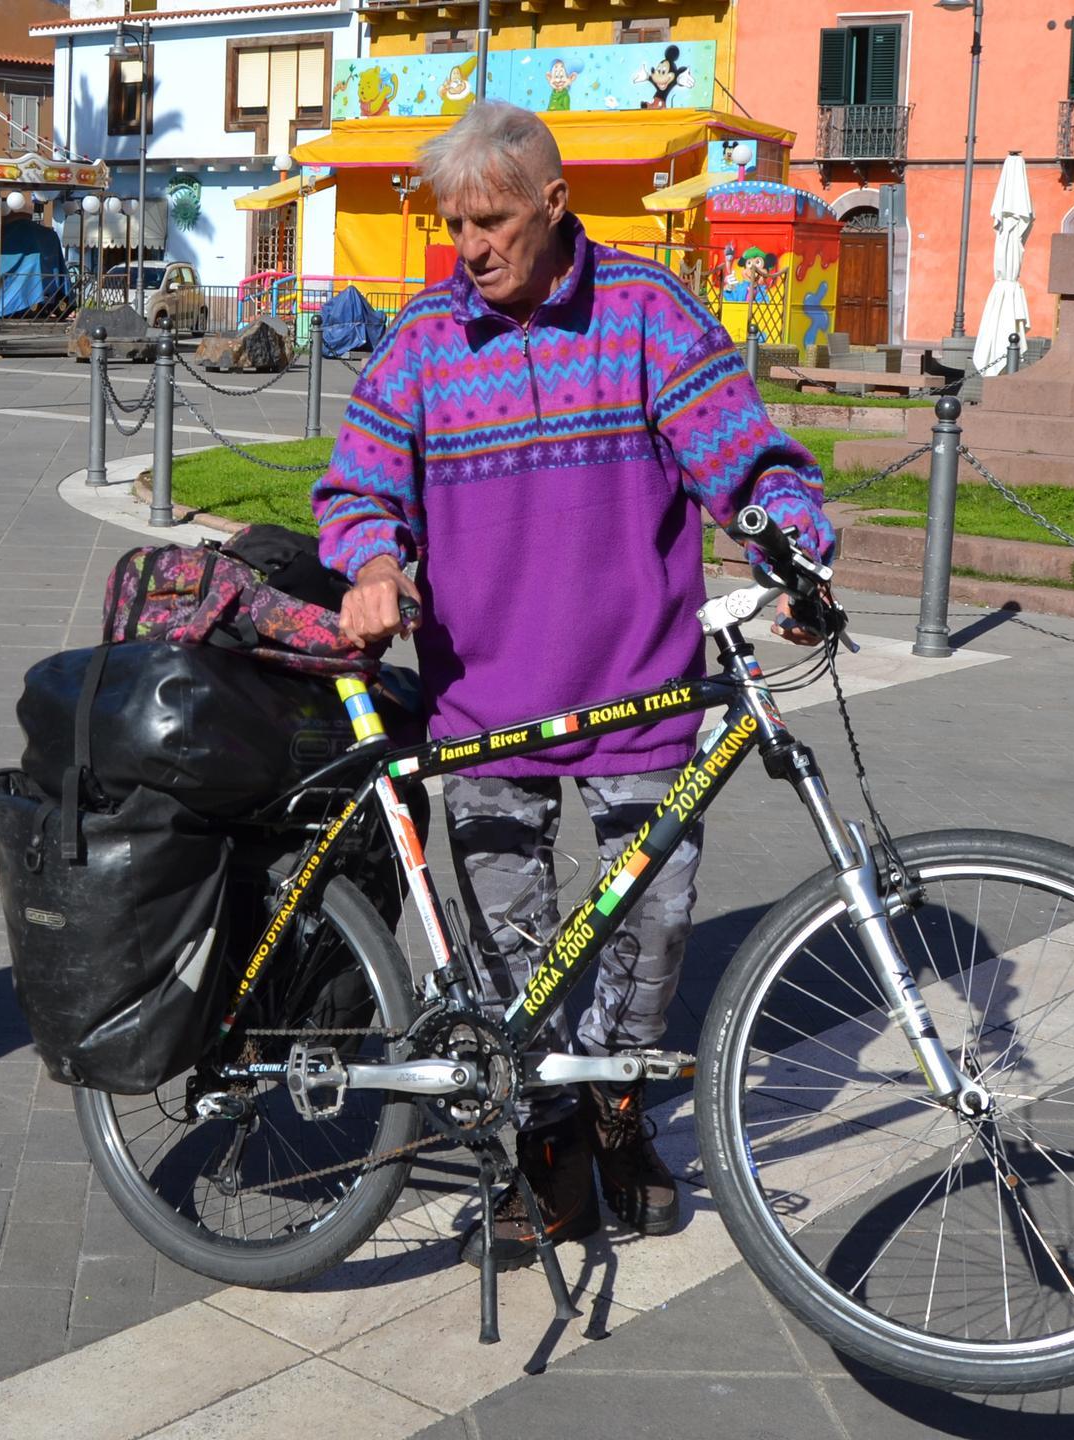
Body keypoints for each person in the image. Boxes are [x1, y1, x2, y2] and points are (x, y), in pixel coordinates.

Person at [312, 101, 835, 1272]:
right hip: (482, 704)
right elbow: (353, 487)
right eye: (454, 224)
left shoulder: (648, 315)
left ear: (556, 205)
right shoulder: (425, 341)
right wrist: (374, 563)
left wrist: (791, 548)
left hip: (640, 694)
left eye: (491, 220)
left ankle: (614, 1111)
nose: (471, 247)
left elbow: (743, 463)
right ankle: (542, 1140)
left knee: (657, 924)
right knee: (513, 950)